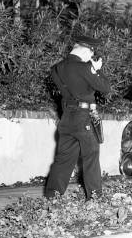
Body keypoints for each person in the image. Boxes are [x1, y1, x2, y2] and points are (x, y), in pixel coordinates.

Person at [44, 35, 111, 200]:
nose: (91, 56)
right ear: (84, 48)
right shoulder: (83, 67)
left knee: (63, 159)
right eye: (91, 51)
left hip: (67, 118)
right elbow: (105, 87)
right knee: (91, 157)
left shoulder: (56, 68)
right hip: (84, 118)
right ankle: (94, 197)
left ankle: (53, 195)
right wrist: (96, 69)